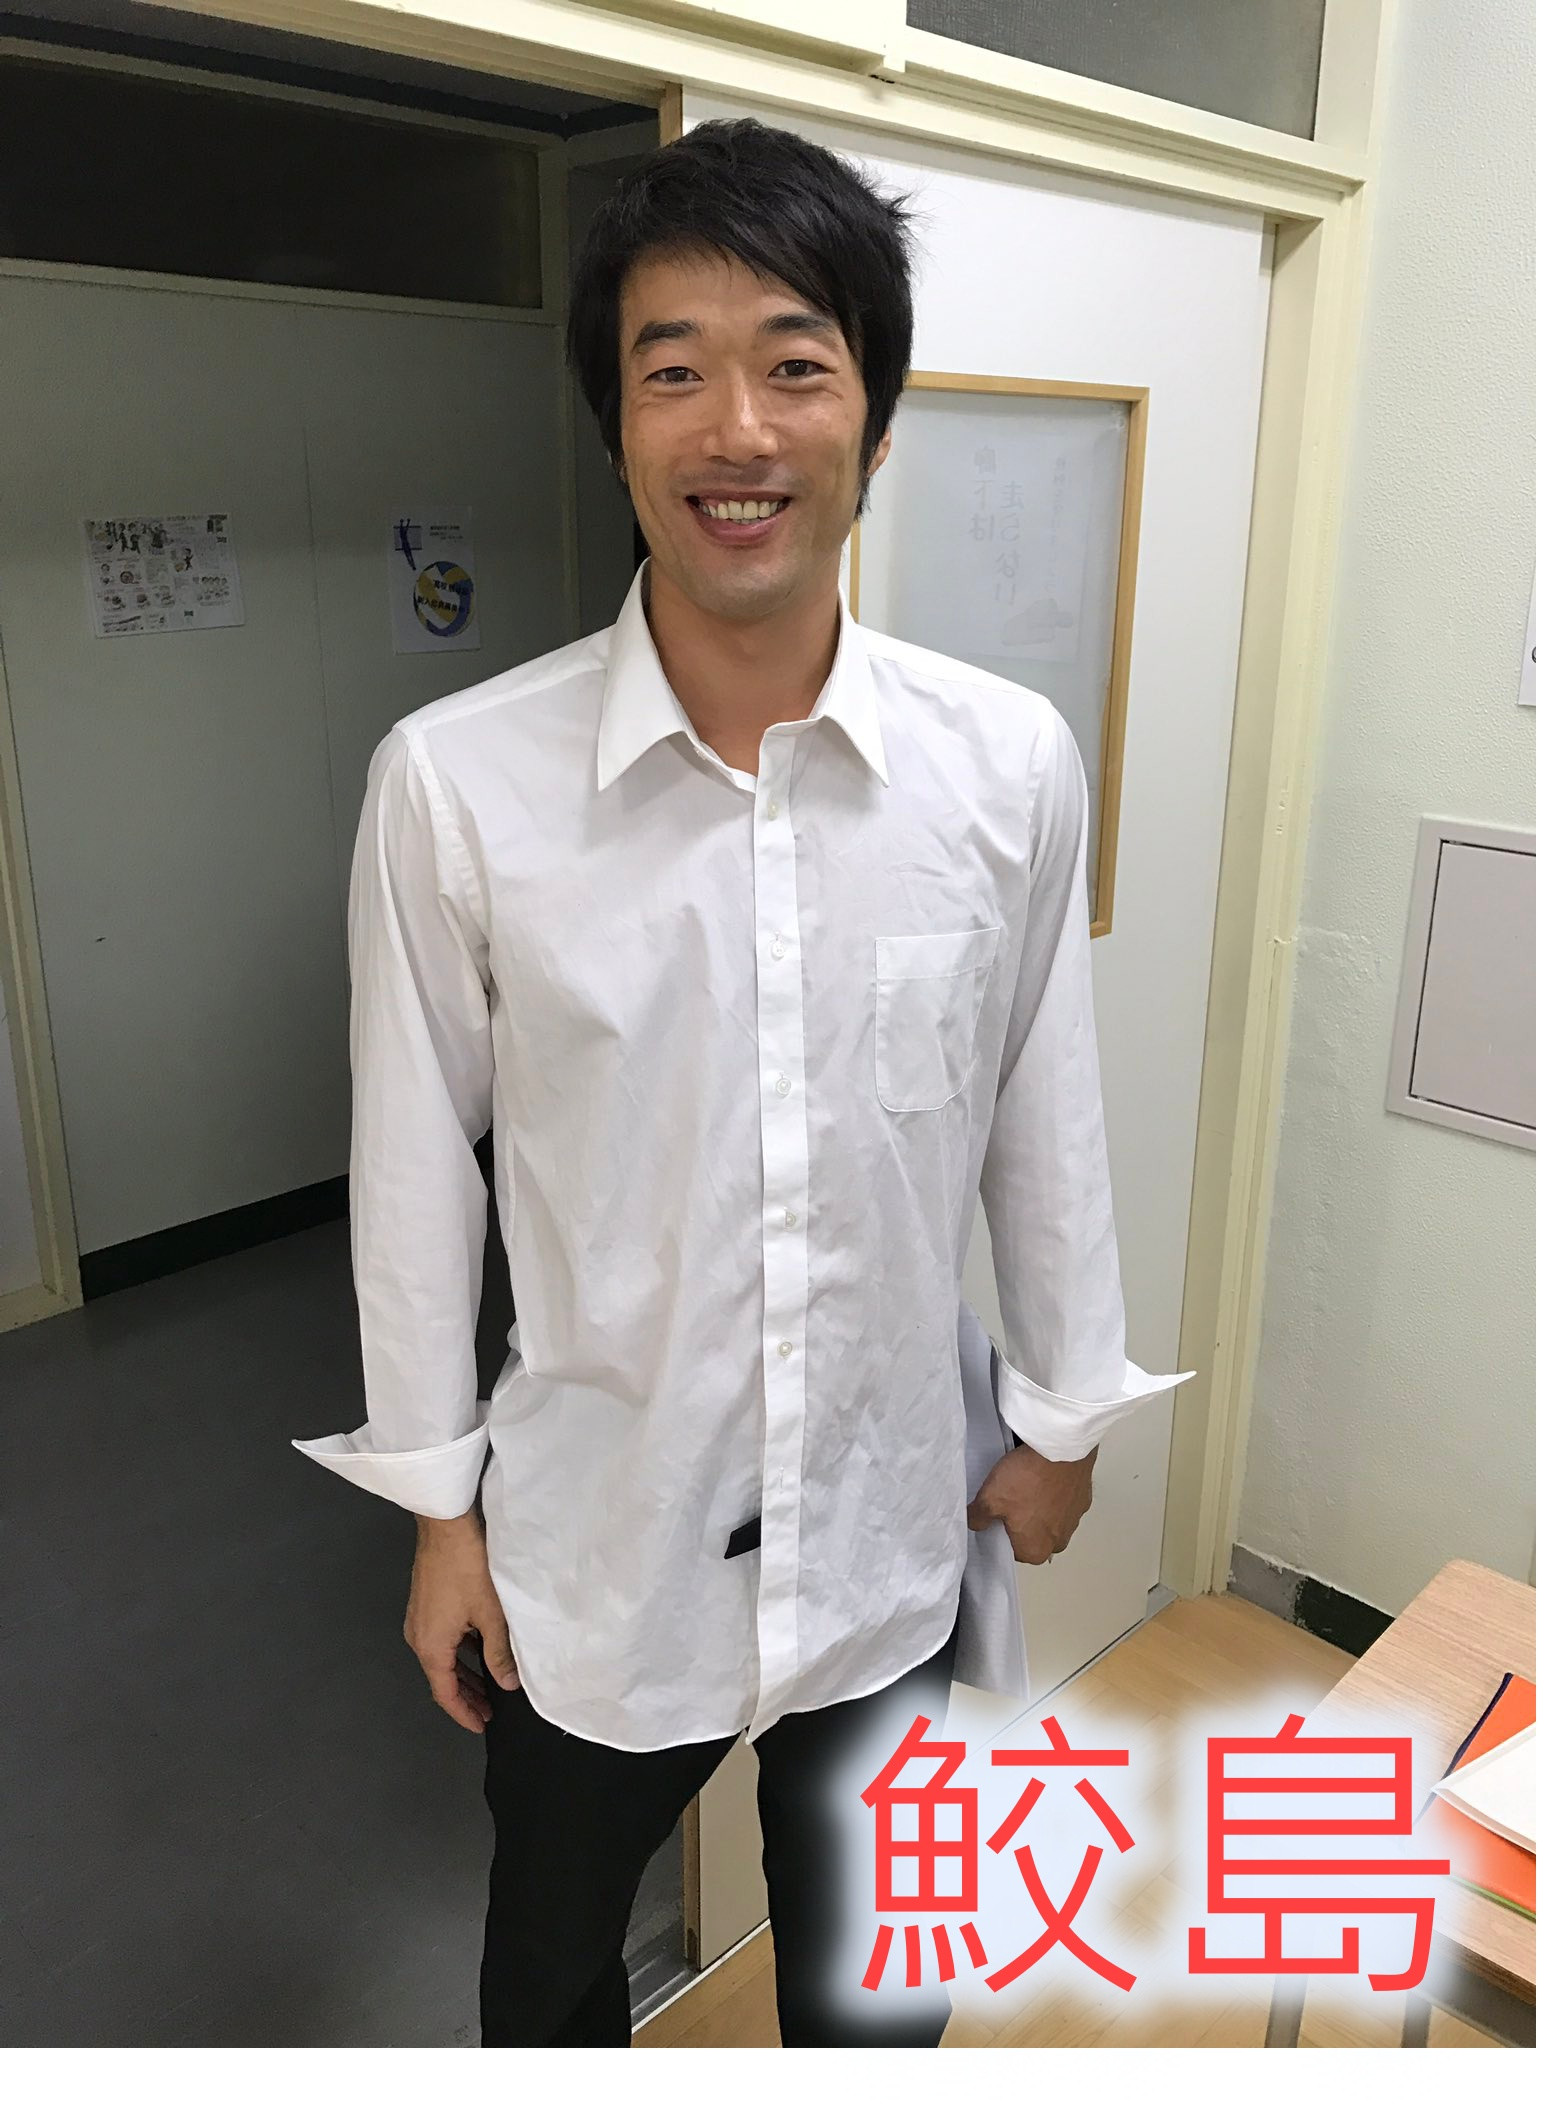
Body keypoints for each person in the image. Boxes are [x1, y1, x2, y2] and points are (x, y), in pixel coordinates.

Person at [293, 116, 1188, 2048]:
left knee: (875, 1984)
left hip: (887, 1517)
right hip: (598, 1543)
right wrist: (438, 1514)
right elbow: (413, 1177)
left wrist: (1060, 1416)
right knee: (549, 1973)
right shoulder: (458, 782)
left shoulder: (1001, 763)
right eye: (672, 371)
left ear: (877, 416)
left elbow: (1042, 1107)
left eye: (794, 364)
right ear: (615, 424)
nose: (737, 430)